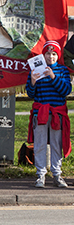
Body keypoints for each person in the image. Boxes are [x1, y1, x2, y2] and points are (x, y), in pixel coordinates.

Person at [26, 41, 71, 188]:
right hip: (41, 113)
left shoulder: (63, 71)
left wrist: (53, 77)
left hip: (56, 113)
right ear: (43, 55)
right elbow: (31, 93)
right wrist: (32, 81)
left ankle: (57, 174)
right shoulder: (35, 70)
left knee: (56, 145)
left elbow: (65, 90)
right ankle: (40, 175)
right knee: (39, 144)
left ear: (57, 56)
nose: (50, 57)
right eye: (47, 53)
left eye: (53, 54)